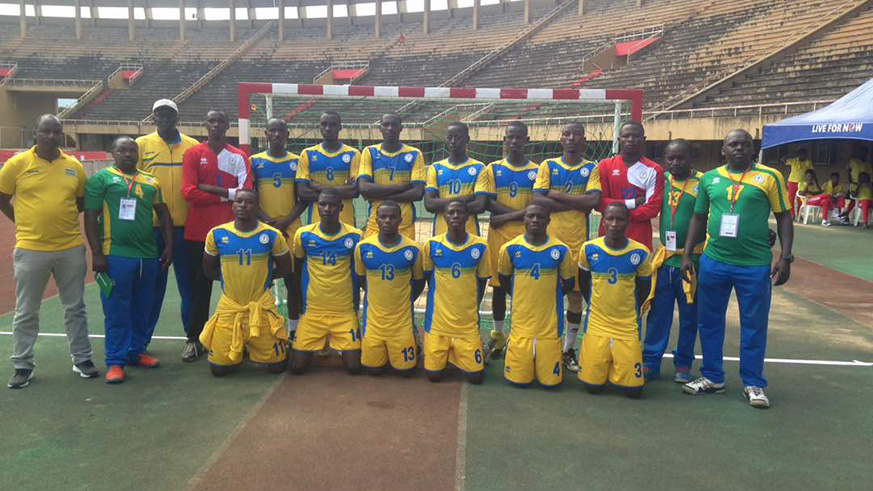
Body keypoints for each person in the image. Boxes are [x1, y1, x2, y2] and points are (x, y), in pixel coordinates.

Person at [681, 129, 793, 409]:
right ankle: (712, 377)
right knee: (709, 321)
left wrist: (786, 257)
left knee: (754, 324)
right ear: (723, 150)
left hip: (754, 265)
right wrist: (686, 254)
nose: (739, 149)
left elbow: (784, 217)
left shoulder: (770, 177)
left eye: (744, 144)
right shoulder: (710, 179)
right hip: (714, 261)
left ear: (752, 149)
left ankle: (753, 383)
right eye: (733, 144)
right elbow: (698, 217)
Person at [0, 115, 98, 389]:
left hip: (69, 248)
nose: (52, 136)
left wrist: (57, 215)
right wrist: (21, 220)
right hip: (31, 249)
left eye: (56, 132)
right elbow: (1, 196)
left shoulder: (73, 166)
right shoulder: (17, 164)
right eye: (46, 131)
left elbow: (80, 202)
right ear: (36, 133)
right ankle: (22, 364)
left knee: (75, 307)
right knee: (26, 311)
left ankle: (82, 358)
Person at [84, 137, 174, 384]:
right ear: (112, 153)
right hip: (116, 255)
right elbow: (90, 218)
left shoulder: (151, 181)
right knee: (116, 310)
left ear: (138, 154)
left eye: (132, 150)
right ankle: (115, 361)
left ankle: (136, 351)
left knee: (143, 306)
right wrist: (97, 253)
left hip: (147, 255)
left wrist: (169, 245)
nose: (128, 154)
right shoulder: (100, 180)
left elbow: (163, 214)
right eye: (122, 150)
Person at [181, 110, 252, 362]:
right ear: (205, 124)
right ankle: (194, 339)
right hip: (199, 233)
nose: (216, 125)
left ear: (228, 126)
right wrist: (229, 195)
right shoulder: (193, 154)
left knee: (237, 289)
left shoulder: (239, 156)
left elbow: (247, 193)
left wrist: (212, 189)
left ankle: (242, 337)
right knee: (199, 289)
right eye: (211, 121)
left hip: (234, 234)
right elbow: (189, 192)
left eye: (221, 121)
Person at [199, 190, 291, 376]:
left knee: (277, 367)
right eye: (238, 201)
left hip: (260, 306)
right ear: (232, 206)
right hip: (230, 306)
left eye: (248, 202)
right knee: (219, 370)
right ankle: (240, 346)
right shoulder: (217, 234)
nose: (242, 205)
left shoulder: (272, 235)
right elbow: (208, 270)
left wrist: (262, 279)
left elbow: (285, 269)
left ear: (257, 208)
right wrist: (232, 279)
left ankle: (259, 345)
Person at [532, 122, 600, 372]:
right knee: (545, 298)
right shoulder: (547, 165)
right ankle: (543, 345)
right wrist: (576, 202)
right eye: (566, 134)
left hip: (577, 245)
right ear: (561, 140)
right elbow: (538, 199)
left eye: (576, 134)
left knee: (575, 299)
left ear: (584, 140)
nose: (571, 138)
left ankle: (568, 349)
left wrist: (557, 196)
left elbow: (593, 201)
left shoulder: (591, 168)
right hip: (548, 245)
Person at [137, 99, 198, 358]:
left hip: (186, 229)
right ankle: (141, 342)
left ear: (177, 117)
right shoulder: (140, 146)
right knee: (150, 287)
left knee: (190, 287)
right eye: (159, 114)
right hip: (153, 229)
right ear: (153, 118)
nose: (164, 118)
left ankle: (193, 339)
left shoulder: (193, 146)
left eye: (169, 114)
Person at [473, 121, 540, 359]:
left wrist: (507, 217)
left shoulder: (537, 170)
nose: (514, 142)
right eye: (510, 138)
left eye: (518, 138)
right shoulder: (492, 169)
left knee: (523, 290)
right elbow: (487, 201)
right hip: (498, 237)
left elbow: (537, 206)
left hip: (526, 237)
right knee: (498, 289)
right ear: (504, 140)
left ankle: (521, 336)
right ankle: (498, 337)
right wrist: (514, 216)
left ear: (527, 141)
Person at [640, 139, 701, 383]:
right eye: (670, 158)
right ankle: (651, 360)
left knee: (689, 315)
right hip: (665, 260)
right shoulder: (660, 180)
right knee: (658, 313)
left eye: (681, 158)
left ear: (690, 159)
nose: (675, 163)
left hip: (692, 261)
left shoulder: (702, 182)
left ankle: (684, 363)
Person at [577, 202, 652, 398]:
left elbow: (644, 288)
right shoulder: (589, 249)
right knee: (593, 388)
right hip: (597, 323)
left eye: (620, 219)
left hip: (626, 325)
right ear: (603, 221)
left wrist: (631, 311)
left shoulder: (640, 253)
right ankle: (606, 363)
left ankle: (616, 362)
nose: (614, 224)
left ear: (628, 222)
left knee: (634, 391)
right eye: (609, 219)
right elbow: (584, 282)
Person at [497, 203, 575, 388]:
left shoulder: (561, 250)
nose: (534, 220)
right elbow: (504, 279)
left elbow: (569, 283)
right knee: (519, 383)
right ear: (524, 219)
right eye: (530, 216)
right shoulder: (509, 249)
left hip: (548, 329)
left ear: (548, 221)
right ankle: (513, 346)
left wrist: (550, 296)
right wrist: (520, 295)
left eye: (540, 217)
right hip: (521, 327)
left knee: (551, 385)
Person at [290, 188, 363, 375]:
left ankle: (336, 340)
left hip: (344, 312)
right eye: (323, 204)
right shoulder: (304, 235)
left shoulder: (354, 237)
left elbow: (360, 274)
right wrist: (298, 302)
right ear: (317, 207)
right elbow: (297, 270)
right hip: (313, 312)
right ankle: (319, 341)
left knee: (354, 367)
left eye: (332, 205)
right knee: (297, 367)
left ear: (340, 207)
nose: (327, 208)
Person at [421, 200, 490, 384]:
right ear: (444, 217)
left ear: (468, 217)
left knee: (476, 378)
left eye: (460, 213)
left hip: (466, 326)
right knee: (433, 376)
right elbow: (428, 277)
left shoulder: (480, 246)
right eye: (451, 213)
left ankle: (471, 348)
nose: (455, 216)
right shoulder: (432, 245)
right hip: (438, 325)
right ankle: (439, 350)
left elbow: (482, 282)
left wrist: (470, 306)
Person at [354, 201, 425, 375]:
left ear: (400, 220)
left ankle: (412, 337)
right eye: (383, 217)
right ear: (376, 220)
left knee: (405, 373)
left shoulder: (413, 249)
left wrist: (404, 300)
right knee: (373, 371)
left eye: (392, 217)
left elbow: (418, 282)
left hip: (401, 323)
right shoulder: (363, 248)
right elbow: (361, 279)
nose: (387, 221)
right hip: (374, 323)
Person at [250, 118, 307, 336]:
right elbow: (250, 196)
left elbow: (303, 198)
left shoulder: (298, 161)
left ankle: (293, 330)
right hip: (262, 227)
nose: (276, 135)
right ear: (266, 133)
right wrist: (267, 220)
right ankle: (260, 328)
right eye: (272, 130)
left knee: (293, 281)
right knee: (259, 281)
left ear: (287, 135)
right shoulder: (254, 161)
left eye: (280, 131)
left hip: (290, 227)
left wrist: (284, 222)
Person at [591, 121, 664, 251]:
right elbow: (600, 203)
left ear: (643, 139)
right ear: (619, 139)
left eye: (635, 136)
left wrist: (615, 216)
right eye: (626, 136)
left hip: (639, 236)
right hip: (607, 236)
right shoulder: (604, 165)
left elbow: (652, 208)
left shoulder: (654, 170)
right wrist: (633, 203)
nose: (630, 139)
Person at [358, 113, 426, 239]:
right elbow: (364, 189)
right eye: (386, 124)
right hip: (375, 225)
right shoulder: (369, 152)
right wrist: (401, 187)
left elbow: (417, 193)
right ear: (380, 128)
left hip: (404, 226)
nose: (390, 128)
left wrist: (377, 194)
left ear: (401, 128)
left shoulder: (415, 154)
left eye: (394, 125)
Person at [296, 111, 361, 227]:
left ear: (340, 127)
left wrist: (317, 187)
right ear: (319, 127)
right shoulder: (307, 154)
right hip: (316, 222)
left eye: (332, 125)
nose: (328, 128)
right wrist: (342, 190)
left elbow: (354, 191)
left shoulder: (353, 154)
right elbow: (302, 192)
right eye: (324, 124)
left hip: (346, 222)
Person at [424, 122, 486, 236]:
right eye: (450, 138)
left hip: (470, 233)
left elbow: (480, 205)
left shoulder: (479, 168)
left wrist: (446, 206)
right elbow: (429, 204)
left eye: (458, 137)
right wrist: (466, 198)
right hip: (441, 233)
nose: (453, 141)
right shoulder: (436, 168)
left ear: (467, 139)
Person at [840, 145, 872, 224]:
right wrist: (851, 182)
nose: (862, 154)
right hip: (855, 184)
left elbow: (870, 175)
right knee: (854, 199)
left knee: (861, 200)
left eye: (864, 152)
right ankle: (846, 215)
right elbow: (848, 172)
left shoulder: (867, 164)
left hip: (865, 186)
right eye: (861, 152)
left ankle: (847, 214)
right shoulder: (853, 162)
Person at [783, 147, 813, 218]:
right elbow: (783, 159)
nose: (801, 155)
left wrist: (810, 181)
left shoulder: (808, 162)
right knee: (791, 198)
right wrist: (790, 154)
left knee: (800, 199)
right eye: (800, 154)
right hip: (792, 181)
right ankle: (792, 214)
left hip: (802, 183)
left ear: (805, 154)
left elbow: (811, 172)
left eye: (803, 154)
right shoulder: (794, 160)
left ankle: (799, 214)